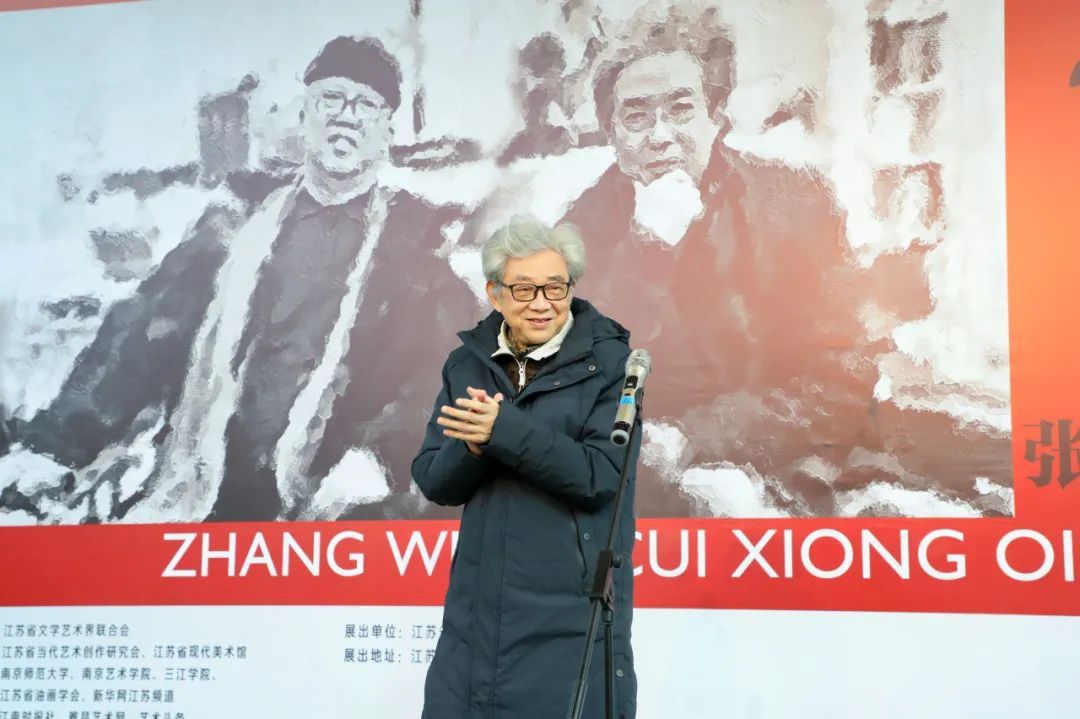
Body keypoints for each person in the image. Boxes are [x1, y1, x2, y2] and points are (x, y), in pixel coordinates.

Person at [3, 36, 478, 523]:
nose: (346, 117)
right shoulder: (234, 226)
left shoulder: (417, 257)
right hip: (203, 490)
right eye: (331, 99)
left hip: (327, 507)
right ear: (305, 117)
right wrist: (56, 446)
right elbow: (143, 333)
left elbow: (449, 376)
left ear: (386, 131)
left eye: (366, 105)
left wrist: (379, 460)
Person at [561, 7, 1011, 517]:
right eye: (637, 117)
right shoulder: (577, 233)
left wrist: (701, 439)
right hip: (636, 471)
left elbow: (843, 369)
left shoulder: (797, 202)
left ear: (716, 116)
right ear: (613, 136)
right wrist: (646, 246)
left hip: (789, 454)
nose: (660, 136)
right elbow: (565, 376)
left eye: (681, 109)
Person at [413, 216, 638, 718]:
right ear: (495, 294)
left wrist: (502, 430)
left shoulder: (612, 364)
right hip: (475, 619)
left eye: (555, 287)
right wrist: (471, 448)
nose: (542, 303)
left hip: (569, 615)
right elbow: (434, 480)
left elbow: (601, 476)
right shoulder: (466, 364)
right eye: (524, 289)